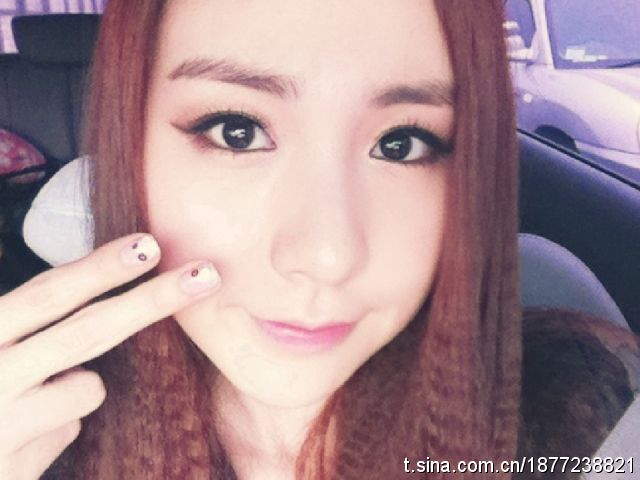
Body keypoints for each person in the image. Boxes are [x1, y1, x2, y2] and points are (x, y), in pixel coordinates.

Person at [0, 1, 637, 479]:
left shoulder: (585, 413)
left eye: (401, 144)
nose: (327, 257)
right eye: (237, 131)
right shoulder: (40, 439)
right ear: (130, 149)